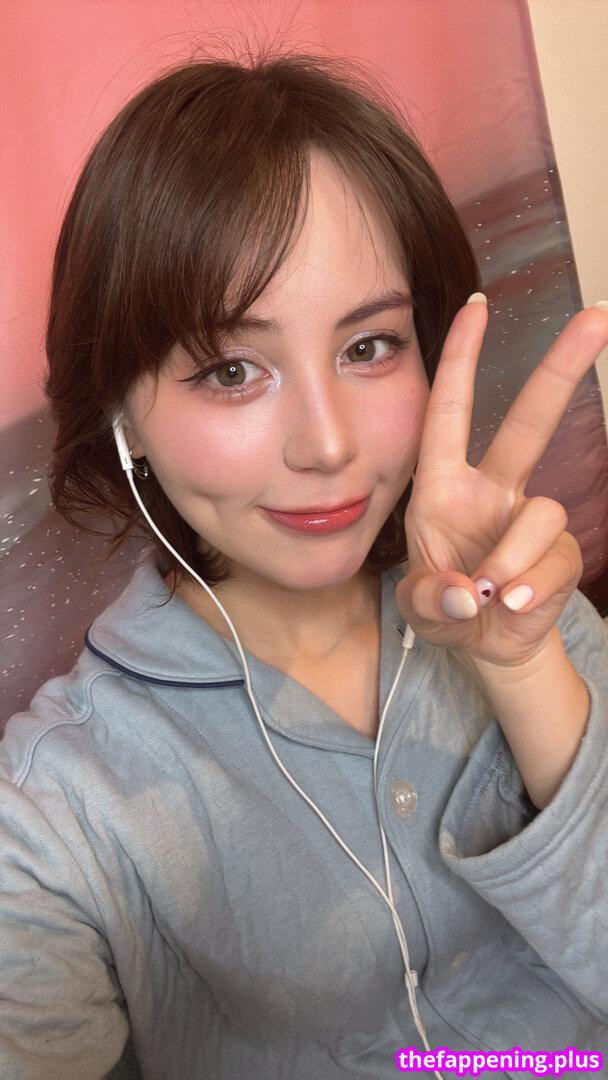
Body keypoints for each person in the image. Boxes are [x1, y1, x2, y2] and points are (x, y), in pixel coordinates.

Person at [0, 54, 607, 1080]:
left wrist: (520, 665)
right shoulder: (64, 803)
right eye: (231, 369)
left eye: (369, 347)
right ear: (122, 414)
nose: (327, 445)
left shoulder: (519, 600)